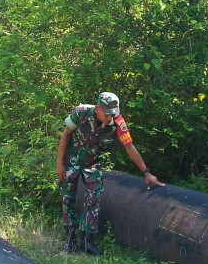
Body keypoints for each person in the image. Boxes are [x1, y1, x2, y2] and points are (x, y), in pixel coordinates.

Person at [56, 91, 164, 255]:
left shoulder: (119, 123)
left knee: (94, 198)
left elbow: (129, 147)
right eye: (107, 114)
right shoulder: (81, 112)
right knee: (68, 197)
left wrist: (146, 172)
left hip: (92, 164)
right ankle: (70, 238)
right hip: (72, 159)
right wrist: (59, 164)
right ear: (98, 109)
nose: (110, 118)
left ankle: (88, 241)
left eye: (113, 114)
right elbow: (66, 135)